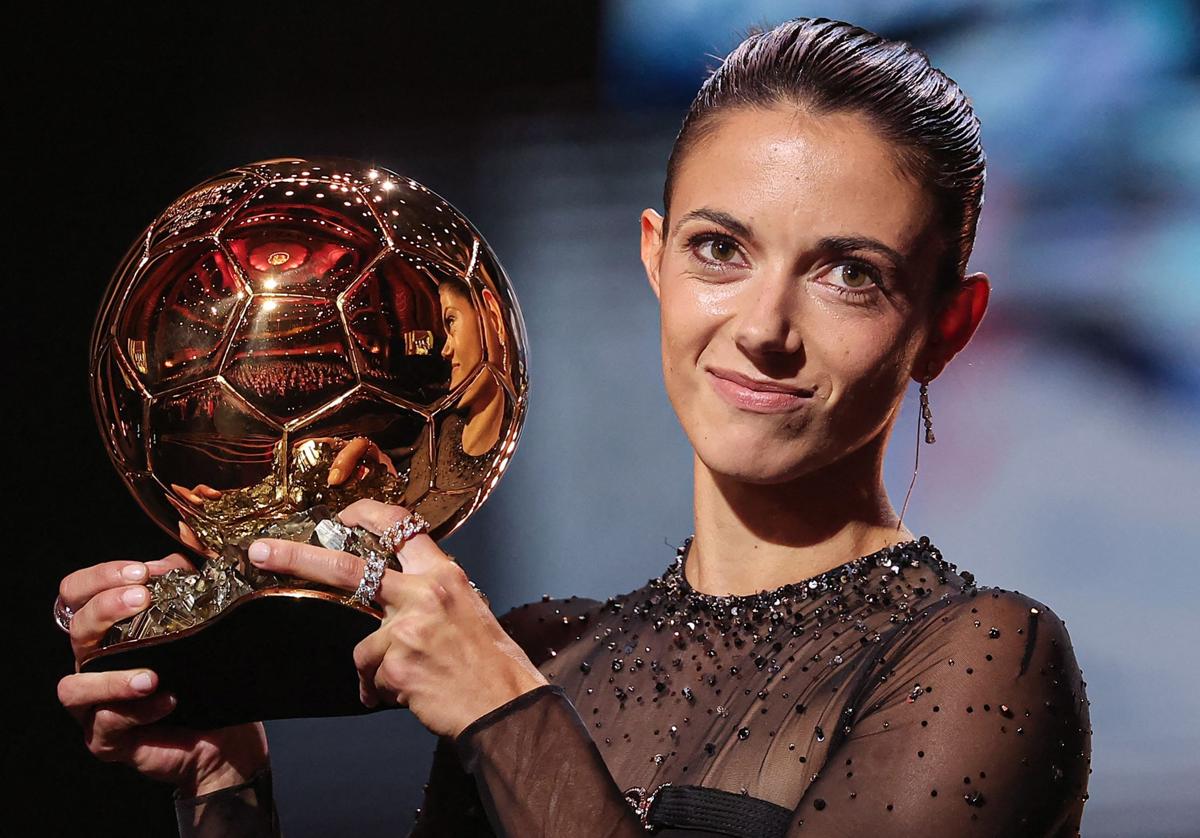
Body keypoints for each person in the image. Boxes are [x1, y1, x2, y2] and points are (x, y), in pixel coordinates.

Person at [56, 17, 1092, 837]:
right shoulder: (551, 648)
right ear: (654, 256)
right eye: (720, 250)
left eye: (848, 274)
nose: (764, 329)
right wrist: (224, 785)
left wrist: (505, 713)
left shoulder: (984, 657)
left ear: (946, 327)